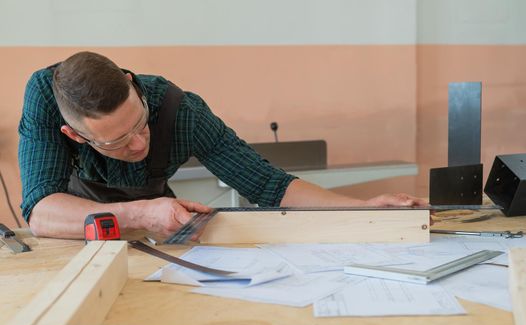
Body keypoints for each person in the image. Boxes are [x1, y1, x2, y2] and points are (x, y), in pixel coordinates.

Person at [18, 51, 426, 239]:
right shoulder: (45, 100)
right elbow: (40, 212)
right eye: (118, 141)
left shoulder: (180, 110)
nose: (140, 142)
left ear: (132, 87)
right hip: (77, 242)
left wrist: (363, 208)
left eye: (141, 123)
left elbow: (269, 186)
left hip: (154, 242)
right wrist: (142, 212)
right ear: (75, 135)